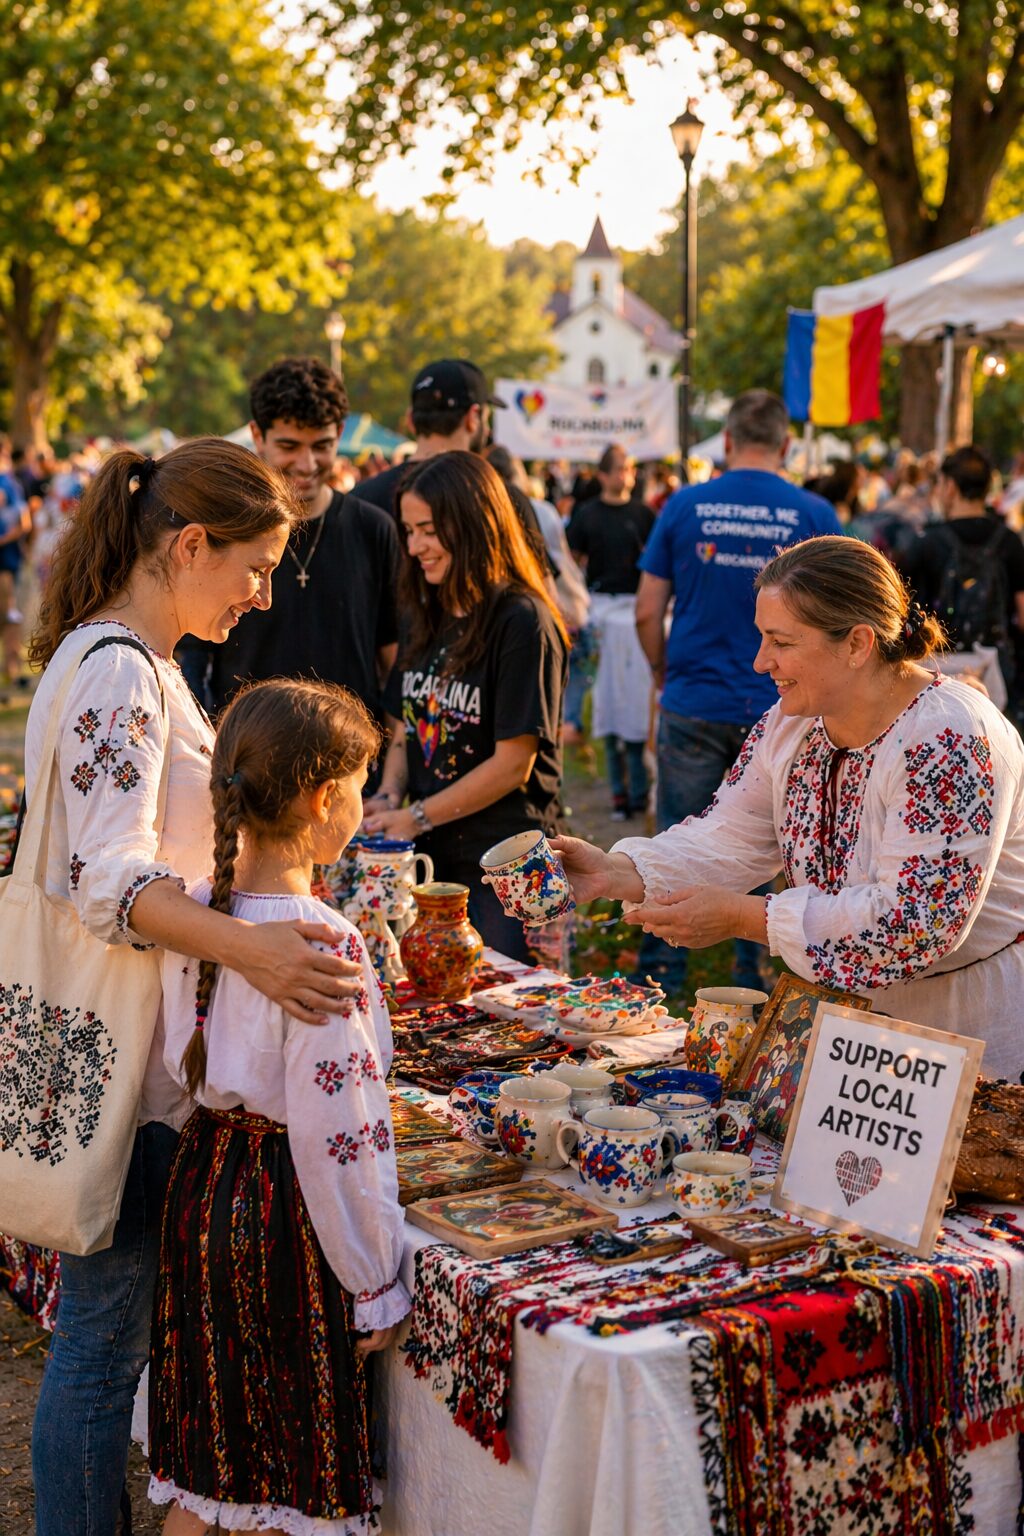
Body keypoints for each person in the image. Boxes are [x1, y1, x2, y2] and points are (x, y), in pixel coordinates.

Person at [24, 439, 366, 1536]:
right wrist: (252, 948)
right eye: (254, 569)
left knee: (102, 1340)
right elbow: (108, 879)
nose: (262, 595)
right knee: (100, 1347)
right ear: (187, 545)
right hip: (118, 1049)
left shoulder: (135, 658)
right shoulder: (124, 668)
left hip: (131, 1035)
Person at [553, 536, 1024, 1081]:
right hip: (847, 1027)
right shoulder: (792, 724)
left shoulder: (950, 738)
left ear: (857, 643)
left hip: (962, 1031)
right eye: (762, 637)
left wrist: (740, 917)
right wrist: (613, 871)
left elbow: (911, 926)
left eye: (781, 641)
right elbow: (727, 836)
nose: (760, 662)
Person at [149, 678, 409, 1535]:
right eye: (362, 788)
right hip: (283, 1215)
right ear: (323, 798)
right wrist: (374, 1281)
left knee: (211, 1450)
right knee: (281, 1466)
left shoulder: (194, 912)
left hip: (203, 1185)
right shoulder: (320, 942)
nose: (365, 807)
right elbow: (345, 1137)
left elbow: (171, 1060)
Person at [633, 389, 842, 991]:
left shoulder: (684, 504)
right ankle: (763, 986)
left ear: (725, 442)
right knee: (787, 853)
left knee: (679, 836)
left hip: (696, 698)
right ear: (784, 445)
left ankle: (660, 982)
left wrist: (659, 672)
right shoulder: (812, 512)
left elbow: (649, 609)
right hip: (786, 707)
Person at [362, 451, 568, 959]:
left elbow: (513, 764)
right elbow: (407, 726)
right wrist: (390, 795)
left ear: (473, 523)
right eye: (409, 531)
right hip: (433, 861)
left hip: (507, 869)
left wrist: (415, 817)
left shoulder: (522, 620)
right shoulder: (424, 610)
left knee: (514, 1017)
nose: (415, 547)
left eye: (428, 530)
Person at [207, 356, 400, 730]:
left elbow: (393, 659)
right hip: (247, 757)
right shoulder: (224, 528)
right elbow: (193, 655)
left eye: (321, 445)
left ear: (340, 434)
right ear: (257, 435)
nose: (307, 463)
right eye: (290, 446)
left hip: (350, 762)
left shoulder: (374, 529)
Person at [356, 357, 553, 572]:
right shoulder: (501, 499)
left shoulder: (360, 501)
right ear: (473, 417)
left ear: (411, 420)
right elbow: (541, 592)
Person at [567, 444, 655, 819]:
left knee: (635, 703)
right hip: (602, 611)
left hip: (634, 611)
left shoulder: (644, 514)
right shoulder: (586, 515)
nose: (626, 475)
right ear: (602, 475)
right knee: (605, 703)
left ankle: (637, 791)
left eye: (630, 468)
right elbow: (570, 561)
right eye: (619, 469)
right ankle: (618, 794)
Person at [901, 444, 1024, 701]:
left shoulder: (927, 542)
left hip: (935, 672)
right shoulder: (1009, 541)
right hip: (997, 673)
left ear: (950, 487)